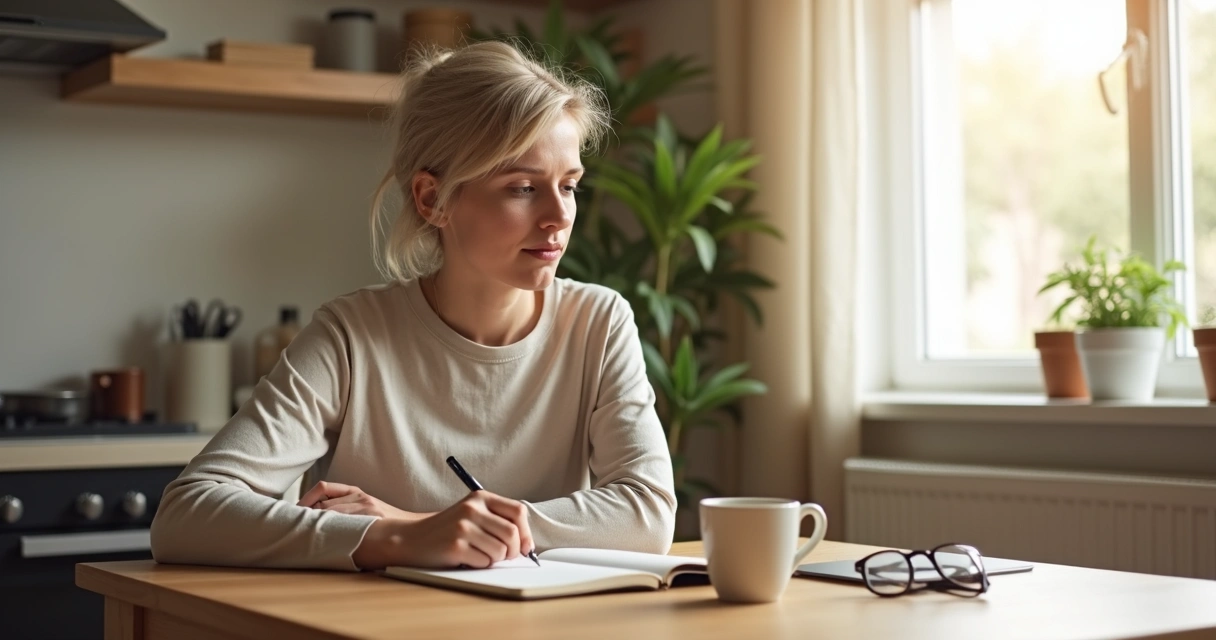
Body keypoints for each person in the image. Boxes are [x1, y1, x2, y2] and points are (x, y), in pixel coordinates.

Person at [148, 41, 676, 572]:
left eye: (569, 185)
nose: (559, 216)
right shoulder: (350, 337)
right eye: (522, 187)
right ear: (432, 199)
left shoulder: (600, 323)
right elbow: (186, 513)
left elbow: (648, 515)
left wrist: (421, 523)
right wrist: (396, 539)